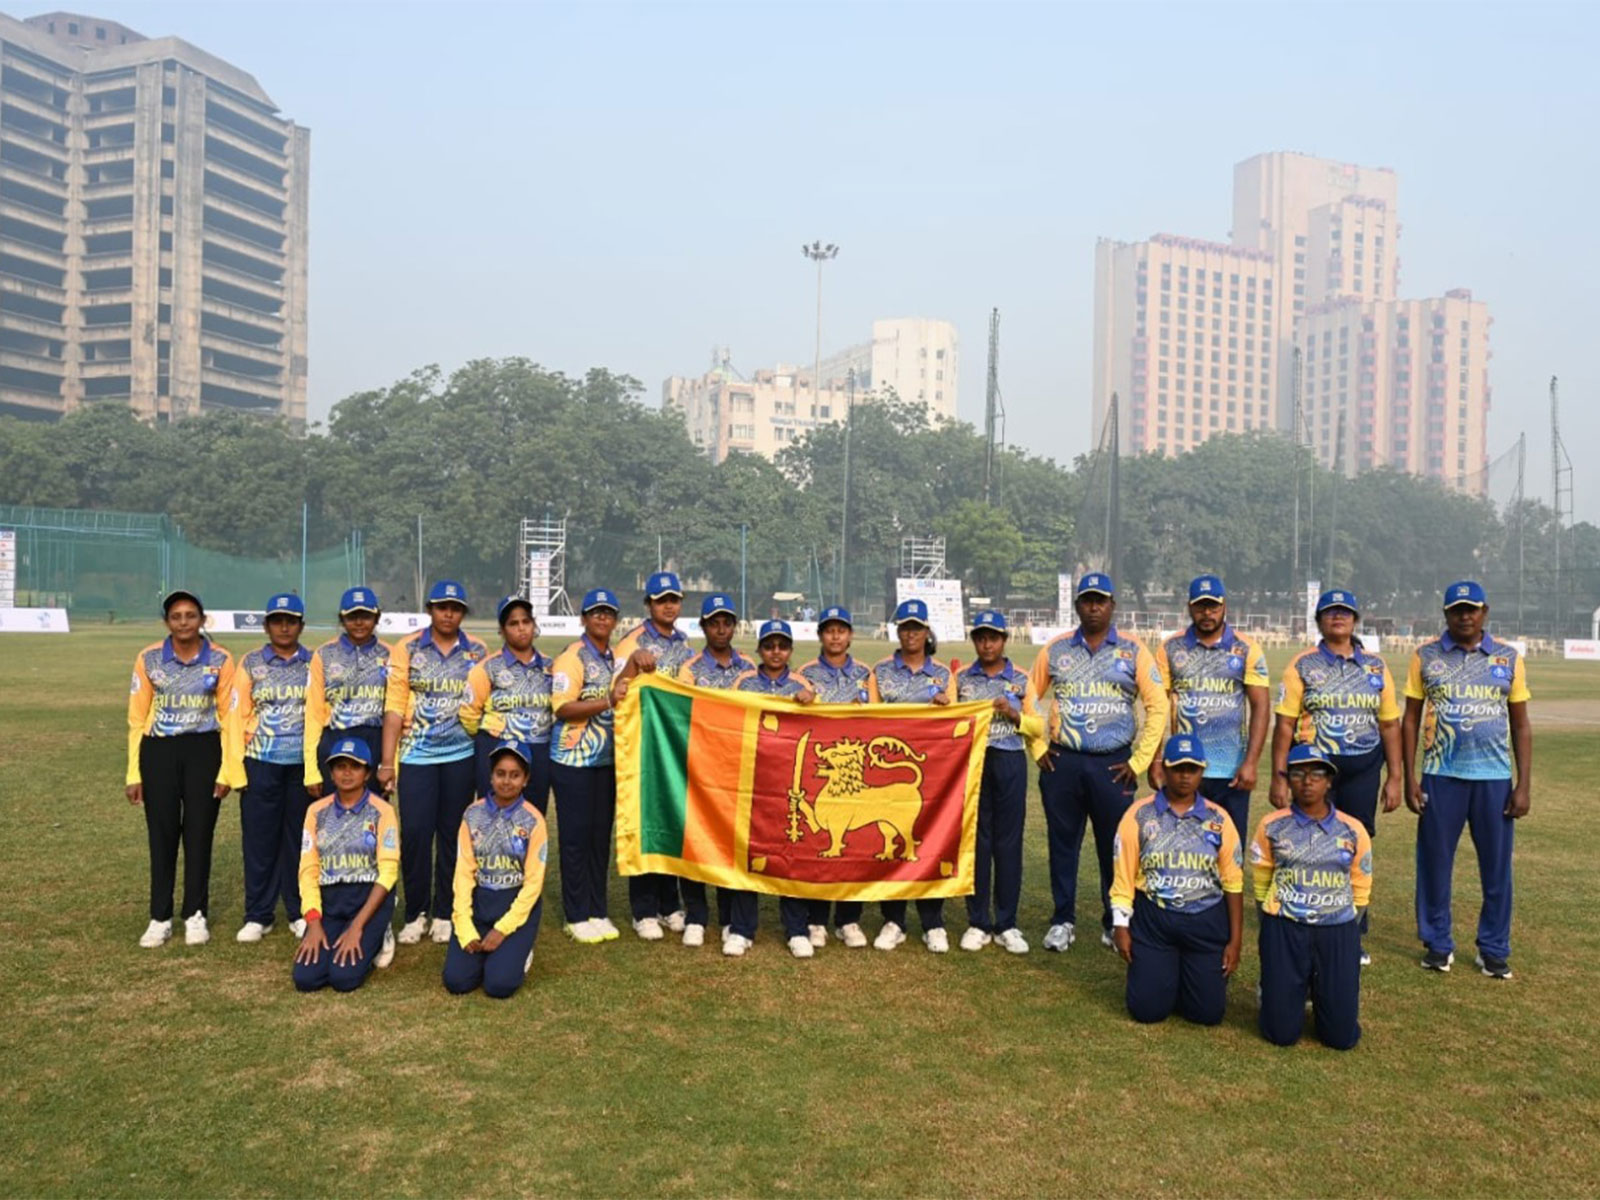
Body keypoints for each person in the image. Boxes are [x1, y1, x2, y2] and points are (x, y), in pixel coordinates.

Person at [1029, 573, 1169, 953]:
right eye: (1087, 600)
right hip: (1063, 763)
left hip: (1114, 765)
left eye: (1101, 600)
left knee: (1116, 846)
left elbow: (1158, 706)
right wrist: (1038, 746)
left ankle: (1115, 920)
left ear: (1112, 606)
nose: (1094, 607)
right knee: (1063, 844)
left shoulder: (1133, 650)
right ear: (1078, 606)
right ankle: (1063, 920)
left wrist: (1139, 761)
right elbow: (1028, 695)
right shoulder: (1056, 650)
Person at [1401, 581, 1532, 979]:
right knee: (1435, 865)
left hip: (1493, 778)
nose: (1464, 616)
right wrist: (1409, 778)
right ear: (1446, 614)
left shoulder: (1507, 658)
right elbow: (1410, 719)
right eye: (1457, 610)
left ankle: (1493, 948)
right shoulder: (1425, 656)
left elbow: (1521, 724)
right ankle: (1438, 944)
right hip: (1441, 775)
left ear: (1484, 612)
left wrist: (1523, 784)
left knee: (1496, 870)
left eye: (1471, 609)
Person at [1271, 588, 1400, 965]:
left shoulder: (1376, 667)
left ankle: (1351, 930)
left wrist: (1394, 778)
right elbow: (1284, 726)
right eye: (1329, 613)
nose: (1337, 618)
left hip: (1362, 767)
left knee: (1353, 846)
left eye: (1344, 612)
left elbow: (1390, 726)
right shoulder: (1302, 665)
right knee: (1309, 843)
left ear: (1355, 619)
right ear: (1319, 621)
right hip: (1314, 769)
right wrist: (1280, 776)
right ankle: (1301, 916)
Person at [126, 589, 235, 948]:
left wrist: (227, 771)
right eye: (176, 616)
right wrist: (134, 773)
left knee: (199, 833)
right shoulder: (150, 658)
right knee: (162, 834)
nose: (184, 622)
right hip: (159, 751)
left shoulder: (220, 659)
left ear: (202, 620)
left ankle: (195, 914)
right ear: (167, 622)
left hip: (204, 750)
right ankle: (160, 917)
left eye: (191, 615)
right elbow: (137, 718)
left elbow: (230, 718)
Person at [1109, 734, 1243, 1026]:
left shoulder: (1219, 819)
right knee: (1146, 1011)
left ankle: (1186, 975)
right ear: (1164, 769)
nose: (1185, 776)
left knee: (1207, 1014)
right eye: (1178, 768)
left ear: (1202, 771)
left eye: (1192, 769)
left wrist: (1235, 940)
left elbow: (1233, 883)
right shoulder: (1138, 815)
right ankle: (1164, 974)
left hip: (1205, 920)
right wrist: (1120, 927)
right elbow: (1123, 879)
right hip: (1155, 919)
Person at [383, 580, 488, 947]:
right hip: (416, 756)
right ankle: (416, 913)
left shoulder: (477, 650)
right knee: (414, 835)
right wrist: (387, 762)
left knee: (452, 836)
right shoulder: (407, 648)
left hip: (461, 755)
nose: (448, 613)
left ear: (462, 612)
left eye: (455, 608)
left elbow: (481, 704)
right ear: (430, 609)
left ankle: (445, 911)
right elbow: (395, 706)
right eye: (442, 607)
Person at [1252, 743, 1371, 1050]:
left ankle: (1322, 993)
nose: (1307, 781)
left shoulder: (1352, 829)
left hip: (1337, 930)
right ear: (1287, 779)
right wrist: (1274, 918)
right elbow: (1262, 880)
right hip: (1285, 926)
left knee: (1340, 1038)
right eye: (1298, 774)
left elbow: (1360, 886)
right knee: (1280, 1034)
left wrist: (1342, 921)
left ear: (1329, 780)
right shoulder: (1271, 825)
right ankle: (1277, 989)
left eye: (1317, 774)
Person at [549, 588, 648, 945]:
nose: (602, 619)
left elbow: (627, 685)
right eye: (595, 613)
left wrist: (636, 660)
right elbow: (561, 708)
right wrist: (605, 701)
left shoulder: (611, 658)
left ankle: (597, 909)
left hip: (606, 761)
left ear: (616, 621)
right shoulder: (572, 657)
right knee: (575, 839)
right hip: (572, 761)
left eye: (608, 613)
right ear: (584, 619)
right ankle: (576, 914)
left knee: (598, 838)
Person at [1153, 574, 1271, 846]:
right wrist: (1157, 760)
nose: (1207, 613)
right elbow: (1157, 708)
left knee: (1229, 847)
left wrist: (1251, 762)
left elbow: (1261, 706)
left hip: (1231, 770)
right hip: (1182, 766)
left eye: (1213, 607)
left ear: (1224, 606)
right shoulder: (1170, 647)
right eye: (1200, 606)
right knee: (1183, 848)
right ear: (1189, 607)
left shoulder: (1246, 648)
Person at [612, 572, 697, 941]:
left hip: (676, 745)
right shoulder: (632, 641)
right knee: (644, 821)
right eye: (661, 599)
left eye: (674, 599)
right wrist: (632, 663)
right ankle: (643, 909)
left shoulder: (685, 643)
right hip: (642, 746)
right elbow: (614, 690)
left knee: (673, 820)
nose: (668, 605)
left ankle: (669, 902)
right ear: (648, 604)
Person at [955, 609, 1047, 954]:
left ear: (1004, 640)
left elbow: (1039, 727)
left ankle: (1007, 923)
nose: (986, 643)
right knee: (978, 843)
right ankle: (977, 922)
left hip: (1009, 760)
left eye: (992, 637)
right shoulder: (962, 679)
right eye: (980, 637)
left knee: (1008, 844)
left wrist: (1014, 714)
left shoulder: (1022, 679)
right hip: (974, 765)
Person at [867, 598, 955, 953]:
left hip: (934, 770)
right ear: (897, 631)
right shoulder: (880, 672)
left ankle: (933, 921)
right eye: (905, 628)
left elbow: (956, 722)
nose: (911, 634)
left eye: (917, 628)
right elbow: (869, 719)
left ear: (927, 631)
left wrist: (945, 709)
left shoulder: (944, 676)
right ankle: (893, 919)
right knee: (890, 836)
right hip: (889, 773)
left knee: (929, 837)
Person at [224, 592, 311, 943]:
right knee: (260, 841)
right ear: (266, 625)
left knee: (298, 842)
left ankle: (298, 910)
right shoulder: (250, 664)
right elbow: (234, 717)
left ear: (301, 625)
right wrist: (235, 771)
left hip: (302, 768)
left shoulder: (314, 663)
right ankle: (258, 914)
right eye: (278, 620)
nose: (285, 627)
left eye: (291, 620)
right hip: (260, 762)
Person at [677, 593, 756, 949]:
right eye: (714, 623)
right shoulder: (690, 669)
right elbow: (677, 711)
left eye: (727, 623)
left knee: (733, 841)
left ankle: (728, 916)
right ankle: (696, 914)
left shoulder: (750, 668)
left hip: (740, 769)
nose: (721, 629)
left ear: (734, 627)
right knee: (696, 840)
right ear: (704, 626)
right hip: (699, 766)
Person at [733, 619, 817, 958]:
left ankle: (796, 928)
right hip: (750, 778)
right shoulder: (744, 682)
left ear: (791, 650)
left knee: (791, 850)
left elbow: (821, 729)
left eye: (782, 646)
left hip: (789, 782)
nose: (776, 652)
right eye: (769, 646)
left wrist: (813, 700)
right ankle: (741, 928)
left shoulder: (803, 684)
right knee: (746, 848)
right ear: (760, 650)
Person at [442, 740, 549, 999]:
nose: (506, 781)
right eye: (500, 773)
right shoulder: (472, 814)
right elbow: (464, 872)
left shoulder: (534, 820)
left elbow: (534, 883)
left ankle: (519, 952)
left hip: (514, 903)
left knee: (499, 985)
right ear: (490, 776)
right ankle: (490, 955)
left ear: (525, 780)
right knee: (456, 981)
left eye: (515, 775)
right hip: (481, 903)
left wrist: (503, 929)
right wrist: (464, 925)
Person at [292, 738, 399, 992]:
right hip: (331, 900)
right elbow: (308, 871)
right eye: (340, 766)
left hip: (369, 898)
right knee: (306, 979)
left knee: (344, 978)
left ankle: (380, 930)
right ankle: (336, 930)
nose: (347, 772)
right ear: (331, 773)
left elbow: (388, 871)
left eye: (355, 766)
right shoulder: (316, 812)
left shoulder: (382, 811)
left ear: (367, 773)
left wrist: (357, 927)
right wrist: (314, 923)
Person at [795, 603, 873, 948]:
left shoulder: (867, 673)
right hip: (820, 770)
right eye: (829, 630)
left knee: (854, 841)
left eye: (841, 629)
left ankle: (849, 918)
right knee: (820, 841)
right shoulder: (805, 672)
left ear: (850, 634)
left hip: (854, 774)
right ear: (820, 635)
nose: (836, 635)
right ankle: (815, 917)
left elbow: (886, 716)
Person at [458, 595, 553, 814]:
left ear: (533, 625)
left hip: (538, 748)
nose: (521, 628)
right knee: (493, 814)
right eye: (513, 623)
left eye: (526, 622)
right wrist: (491, 738)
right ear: (502, 630)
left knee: (533, 813)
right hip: (497, 748)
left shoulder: (550, 666)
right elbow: (469, 714)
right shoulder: (487, 668)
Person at [303, 587, 391, 798]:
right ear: (342, 619)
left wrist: (390, 762)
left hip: (375, 740)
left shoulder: (391, 655)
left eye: (366, 616)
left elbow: (395, 711)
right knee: (332, 813)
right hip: (335, 739)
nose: (359, 622)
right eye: (352, 616)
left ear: (376, 618)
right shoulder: (324, 655)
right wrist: (310, 769)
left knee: (372, 814)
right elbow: (313, 713)